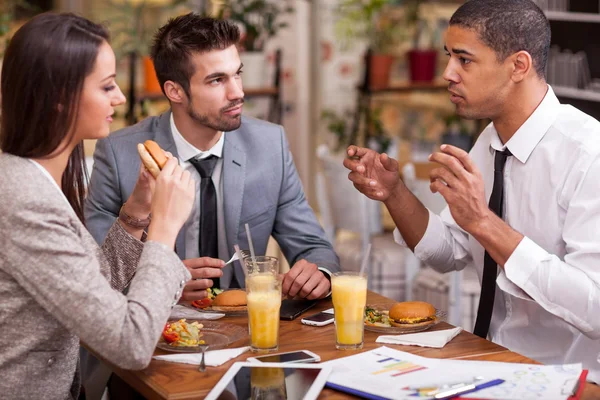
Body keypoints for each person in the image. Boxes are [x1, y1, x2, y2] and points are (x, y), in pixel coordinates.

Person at [344, 0, 600, 383]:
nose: (448, 73)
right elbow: (448, 251)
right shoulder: (491, 139)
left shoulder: (588, 155)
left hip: (562, 379)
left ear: (518, 66)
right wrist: (394, 193)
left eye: (464, 60)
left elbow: (594, 308)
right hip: (489, 361)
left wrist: (484, 222)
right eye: (450, 57)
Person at [0, 13, 195, 400]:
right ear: (59, 98)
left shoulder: (34, 178)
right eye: (106, 86)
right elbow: (130, 343)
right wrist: (164, 232)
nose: (120, 98)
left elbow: (96, 289)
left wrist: (138, 211)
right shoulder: (23, 200)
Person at [86, 13, 339, 302]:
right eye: (217, 80)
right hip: (157, 329)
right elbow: (96, 273)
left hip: (248, 323)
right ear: (175, 91)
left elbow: (313, 247)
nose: (238, 92)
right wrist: (161, 279)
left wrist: (319, 273)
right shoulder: (119, 154)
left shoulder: (270, 145)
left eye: (237, 74)